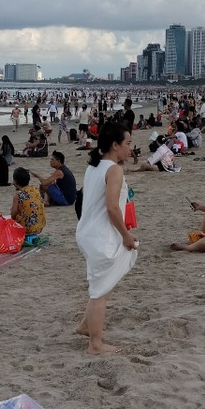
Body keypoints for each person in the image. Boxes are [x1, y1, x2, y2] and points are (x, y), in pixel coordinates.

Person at [75, 123, 138, 355]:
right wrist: (126, 235)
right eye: (128, 143)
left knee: (102, 282)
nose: (130, 149)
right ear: (115, 145)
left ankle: (85, 325)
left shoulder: (95, 166)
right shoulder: (113, 170)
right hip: (99, 236)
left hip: (88, 231)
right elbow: (112, 208)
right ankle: (95, 345)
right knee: (99, 292)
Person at [10, 167, 46, 236]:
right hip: (40, 225)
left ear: (16, 181)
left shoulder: (18, 195)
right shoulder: (35, 189)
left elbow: (13, 214)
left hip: (26, 229)